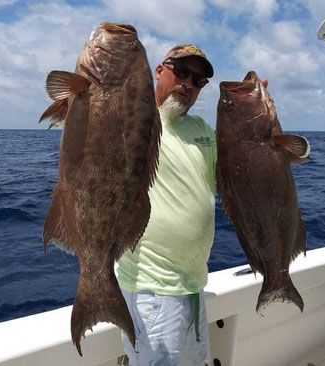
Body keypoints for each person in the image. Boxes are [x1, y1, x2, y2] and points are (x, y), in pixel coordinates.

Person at [116, 44, 216, 366]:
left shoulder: (201, 130)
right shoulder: (133, 119)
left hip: (193, 285)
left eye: (198, 81)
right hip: (152, 289)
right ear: (160, 71)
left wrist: (263, 128)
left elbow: (237, 174)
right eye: (182, 72)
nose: (189, 84)